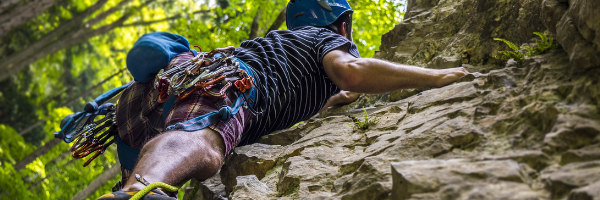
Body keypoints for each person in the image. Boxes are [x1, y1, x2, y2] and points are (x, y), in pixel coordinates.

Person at [97, 0, 469, 199]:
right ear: (342, 26)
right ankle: (135, 192)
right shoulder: (326, 41)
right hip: (220, 85)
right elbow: (351, 72)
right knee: (206, 143)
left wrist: (335, 101)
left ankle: (130, 185)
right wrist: (439, 76)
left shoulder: (284, 47)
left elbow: (313, 94)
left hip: (148, 98)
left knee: (168, 143)